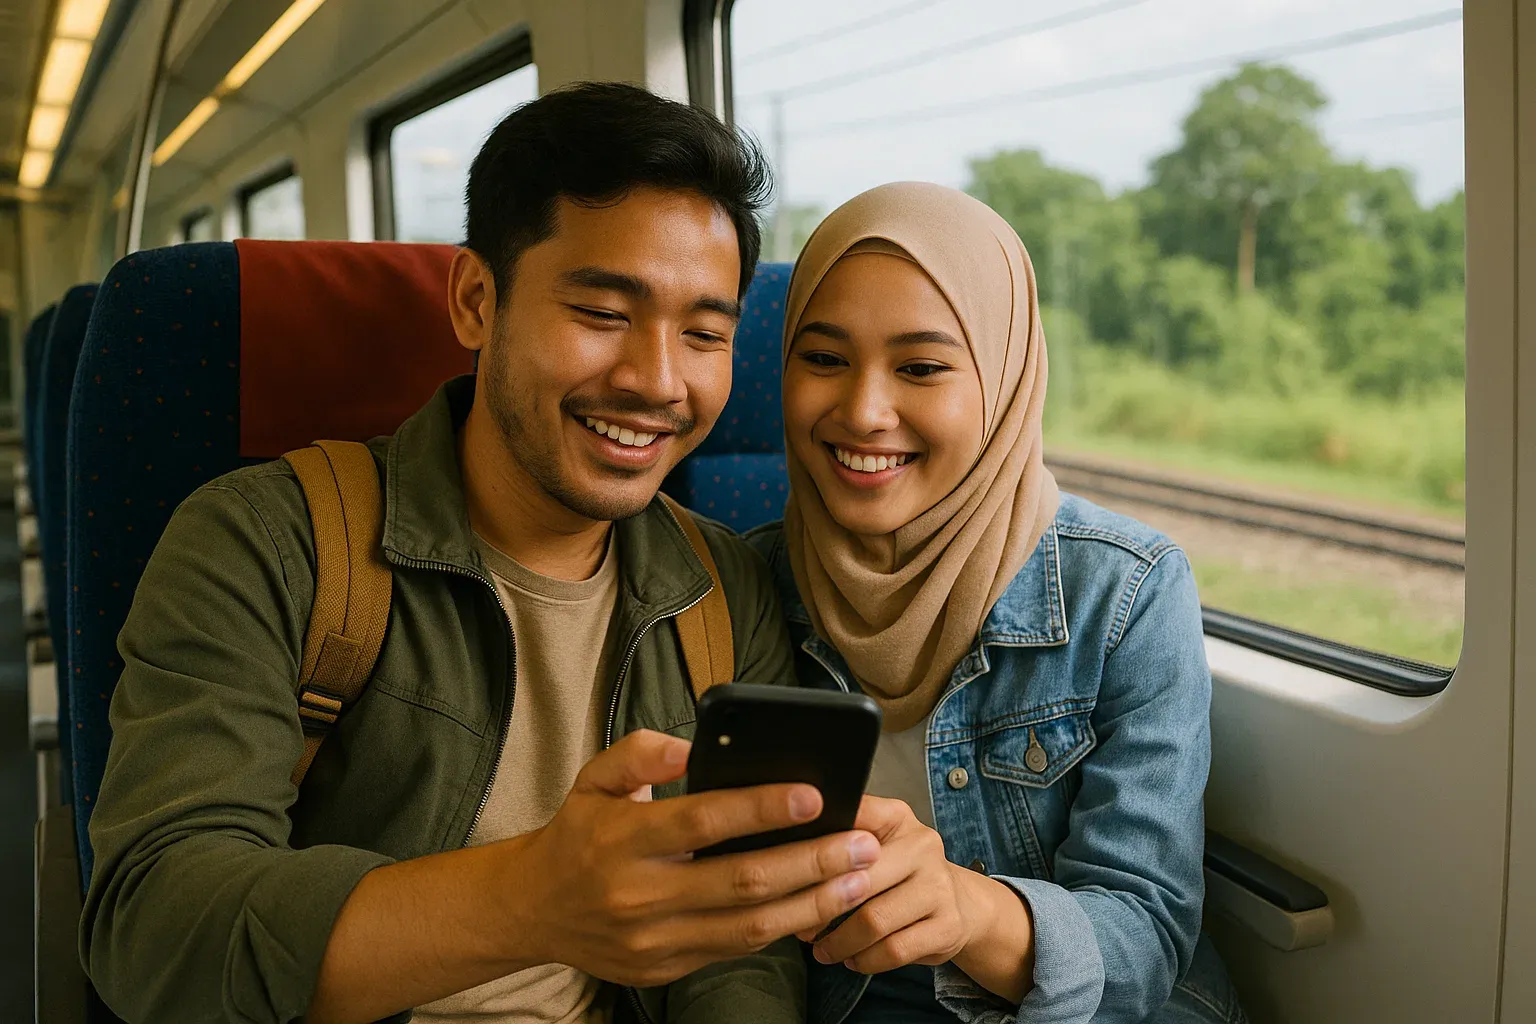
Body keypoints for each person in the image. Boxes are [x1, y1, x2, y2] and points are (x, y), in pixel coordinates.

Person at [80, 82, 883, 1024]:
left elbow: (735, 949)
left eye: (705, 333)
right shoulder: (267, 542)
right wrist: (531, 901)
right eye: (602, 313)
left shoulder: (723, 589)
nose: (657, 381)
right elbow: (155, 928)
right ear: (474, 300)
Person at [746, 182, 1248, 1024]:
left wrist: (964, 910)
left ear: (1006, 379)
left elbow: (1146, 937)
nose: (864, 411)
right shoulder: (743, 583)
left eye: (922, 368)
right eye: (824, 359)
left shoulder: (1126, 592)